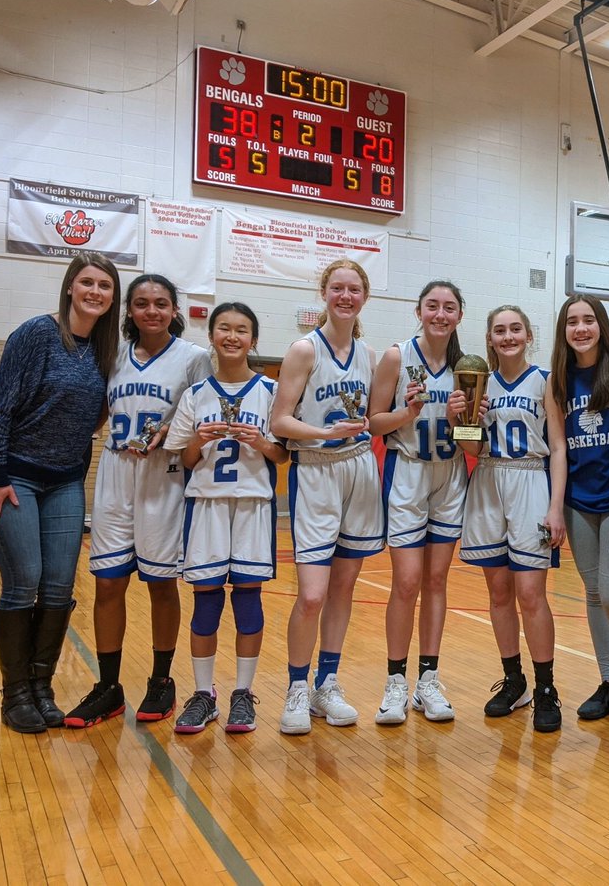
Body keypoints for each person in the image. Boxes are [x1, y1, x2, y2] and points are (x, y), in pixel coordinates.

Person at [0, 252, 120, 733]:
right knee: (25, 580)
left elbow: (96, 413)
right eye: (87, 282)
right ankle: (14, 694)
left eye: (105, 285)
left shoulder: (104, 347)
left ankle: (42, 688)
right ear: (69, 287)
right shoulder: (37, 334)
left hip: (64, 481)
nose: (95, 291)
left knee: (59, 585)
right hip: (11, 477)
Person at [65, 274, 212, 728]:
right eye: (143, 303)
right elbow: (99, 410)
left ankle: (161, 680)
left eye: (162, 303)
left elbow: (204, 417)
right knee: (108, 583)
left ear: (174, 310)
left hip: (163, 478)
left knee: (160, 583)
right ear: (129, 310)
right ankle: (108, 686)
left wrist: (172, 431)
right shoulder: (112, 354)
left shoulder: (193, 358)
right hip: (115, 474)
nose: (152, 311)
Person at [162, 302, 287, 734]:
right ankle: (203, 693)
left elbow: (284, 454)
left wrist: (263, 442)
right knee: (207, 599)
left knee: (248, 599)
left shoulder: (271, 391)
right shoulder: (197, 395)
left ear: (253, 339)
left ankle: (242, 694)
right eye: (224, 329)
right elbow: (186, 457)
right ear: (212, 335)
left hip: (253, 504)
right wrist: (199, 437)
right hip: (207, 504)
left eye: (242, 330)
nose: (232, 337)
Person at [272, 259, 385, 734]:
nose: (345, 295)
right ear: (324, 292)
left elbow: (376, 419)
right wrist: (323, 432)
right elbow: (279, 421)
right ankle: (296, 688)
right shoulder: (304, 350)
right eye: (337, 287)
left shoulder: (370, 356)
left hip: (360, 470)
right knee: (313, 594)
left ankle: (326, 683)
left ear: (364, 296)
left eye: (353, 288)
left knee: (343, 589)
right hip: (316, 471)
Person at [452, 305, 565, 732]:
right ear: (490, 339)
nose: (508, 336)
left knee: (531, 594)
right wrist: (461, 421)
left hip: (531, 482)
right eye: (499, 330)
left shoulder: (546, 381)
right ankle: (514, 680)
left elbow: (557, 445)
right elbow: (472, 451)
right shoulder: (478, 383)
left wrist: (555, 506)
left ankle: (546, 688)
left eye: (515, 328)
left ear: (529, 334)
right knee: (499, 594)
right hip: (488, 480)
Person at [367, 280, 468, 725]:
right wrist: (408, 414)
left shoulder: (468, 366)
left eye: (449, 307)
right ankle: (395, 682)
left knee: (438, 581)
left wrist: (462, 421)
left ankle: (429, 679)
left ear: (459, 316)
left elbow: (471, 437)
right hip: (407, 473)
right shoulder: (396, 356)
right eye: (433, 306)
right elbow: (373, 422)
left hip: (449, 477)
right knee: (406, 582)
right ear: (418, 311)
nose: (440, 314)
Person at [548, 294, 609, 723]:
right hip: (578, 501)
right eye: (573, 321)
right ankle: (607, 682)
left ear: (602, 325)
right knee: (591, 592)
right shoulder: (559, 380)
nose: (581, 328)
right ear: (563, 330)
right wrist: (555, 508)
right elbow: (558, 449)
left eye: (589, 320)